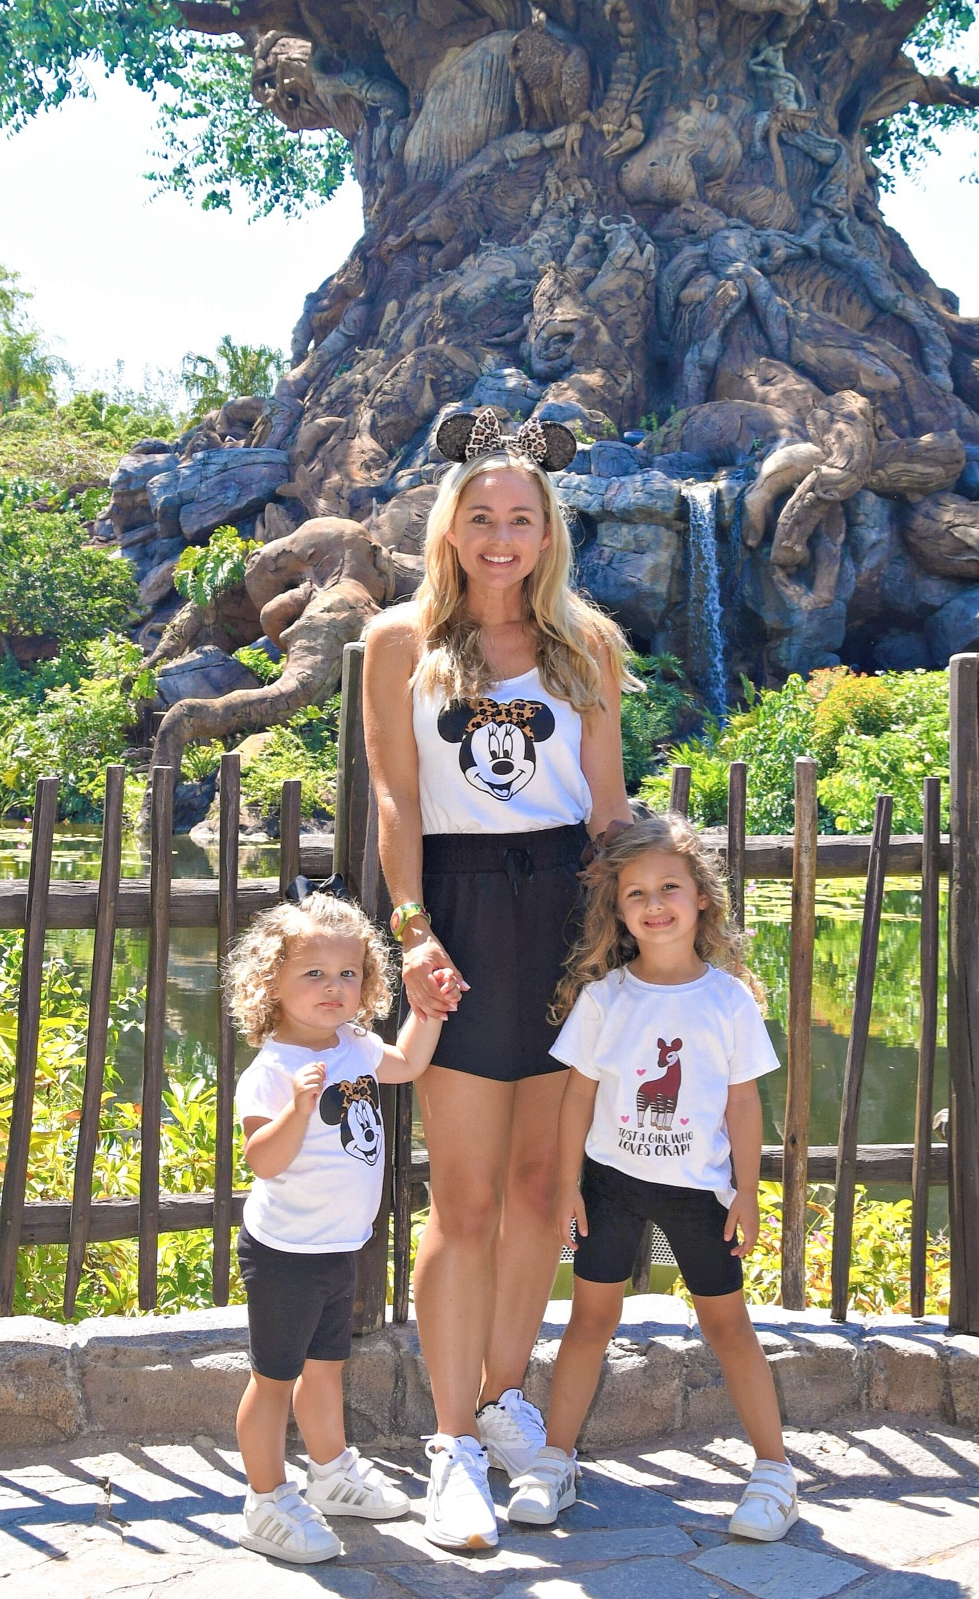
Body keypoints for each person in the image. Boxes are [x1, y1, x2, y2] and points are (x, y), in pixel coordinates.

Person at [362, 407, 633, 1551]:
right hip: (460, 913)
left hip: (568, 909)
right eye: (482, 515)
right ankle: (452, 1447)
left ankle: (505, 1404)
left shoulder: (588, 647)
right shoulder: (396, 642)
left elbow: (611, 810)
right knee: (462, 1197)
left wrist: (624, 950)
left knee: (538, 1194)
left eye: (522, 517)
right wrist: (414, 931)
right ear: (451, 525)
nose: (502, 535)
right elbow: (396, 799)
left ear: (548, 530)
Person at [505, 815, 798, 1543]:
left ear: (701, 898)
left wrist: (748, 1192)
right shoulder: (605, 998)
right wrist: (570, 1182)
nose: (654, 903)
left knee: (727, 1324)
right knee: (588, 1322)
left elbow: (741, 1099)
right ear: (618, 910)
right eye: (635, 893)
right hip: (608, 1184)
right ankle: (554, 1461)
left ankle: (773, 1471)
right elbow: (577, 1095)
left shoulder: (728, 1000)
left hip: (698, 1193)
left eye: (669, 887)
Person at [226, 887, 445, 1565]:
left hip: (337, 1248)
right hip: (284, 1253)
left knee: (325, 1369)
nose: (333, 987)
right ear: (272, 983)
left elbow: (406, 1064)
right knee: (272, 1378)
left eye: (348, 974)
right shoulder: (271, 1073)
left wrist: (429, 1011)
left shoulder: (352, 1044)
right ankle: (264, 1501)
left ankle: (329, 1475)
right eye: (313, 974)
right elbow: (264, 1162)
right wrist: (297, 1108)